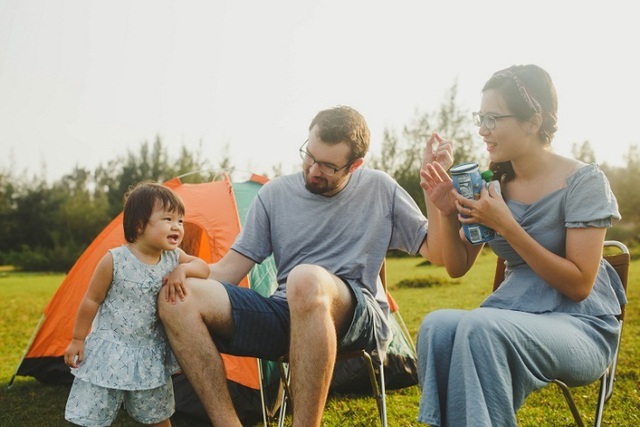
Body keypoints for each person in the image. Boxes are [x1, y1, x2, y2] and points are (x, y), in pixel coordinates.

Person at [158, 105, 452, 426]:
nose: (313, 170)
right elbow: (226, 272)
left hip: (357, 315)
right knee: (178, 299)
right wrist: (184, 267)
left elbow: (437, 252)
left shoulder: (379, 188)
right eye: (309, 156)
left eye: (327, 166)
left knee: (305, 279)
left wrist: (431, 192)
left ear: (355, 165)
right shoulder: (274, 194)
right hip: (287, 309)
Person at [417, 64, 625, 426]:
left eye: (493, 118)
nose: (482, 129)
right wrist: (446, 211)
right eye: (480, 118)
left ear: (533, 120)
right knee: (437, 326)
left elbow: (579, 285)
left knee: (481, 327)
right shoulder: (491, 182)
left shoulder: (583, 182)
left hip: (580, 326)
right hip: (514, 315)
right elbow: (457, 266)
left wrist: (507, 226)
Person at [64, 182, 210, 427]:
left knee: (157, 412)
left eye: (181, 221)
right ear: (139, 224)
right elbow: (92, 299)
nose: (177, 226)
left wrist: (182, 270)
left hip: (149, 352)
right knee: (94, 410)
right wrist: (78, 339)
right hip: (110, 350)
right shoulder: (115, 259)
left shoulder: (173, 257)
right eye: (168, 219)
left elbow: (204, 268)